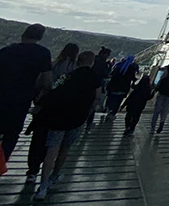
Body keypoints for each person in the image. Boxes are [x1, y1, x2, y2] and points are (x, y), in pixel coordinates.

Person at [33, 50, 100, 201]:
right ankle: (55, 175)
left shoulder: (68, 76)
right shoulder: (95, 78)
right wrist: (88, 113)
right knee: (66, 147)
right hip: (78, 118)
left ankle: (42, 186)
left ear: (78, 61)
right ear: (91, 62)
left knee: (52, 149)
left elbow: (54, 90)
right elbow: (97, 98)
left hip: (58, 116)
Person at [25, 43, 79, 181]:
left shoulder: (53, 64)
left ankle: (32, 170)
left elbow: (40, 83)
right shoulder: (75, 70)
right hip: (62, 111)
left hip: (43, 107)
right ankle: (49, 172)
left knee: (37, 139)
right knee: (54, 143)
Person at [0, 24, 52, 161]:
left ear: (24, 34)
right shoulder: (43, 53)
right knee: (11, 135)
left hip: (1, 95)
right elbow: (47, 82)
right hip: (22, 99)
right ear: (40, 37)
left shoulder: (6, 51)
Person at [87, 47, 111, 126]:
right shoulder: (103, 62)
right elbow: (105, 74)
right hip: (97, 83)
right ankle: (89, 121)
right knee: (94, 102)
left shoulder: (94, 59)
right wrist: (109, 66)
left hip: (88, 81)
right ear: (104, 54)